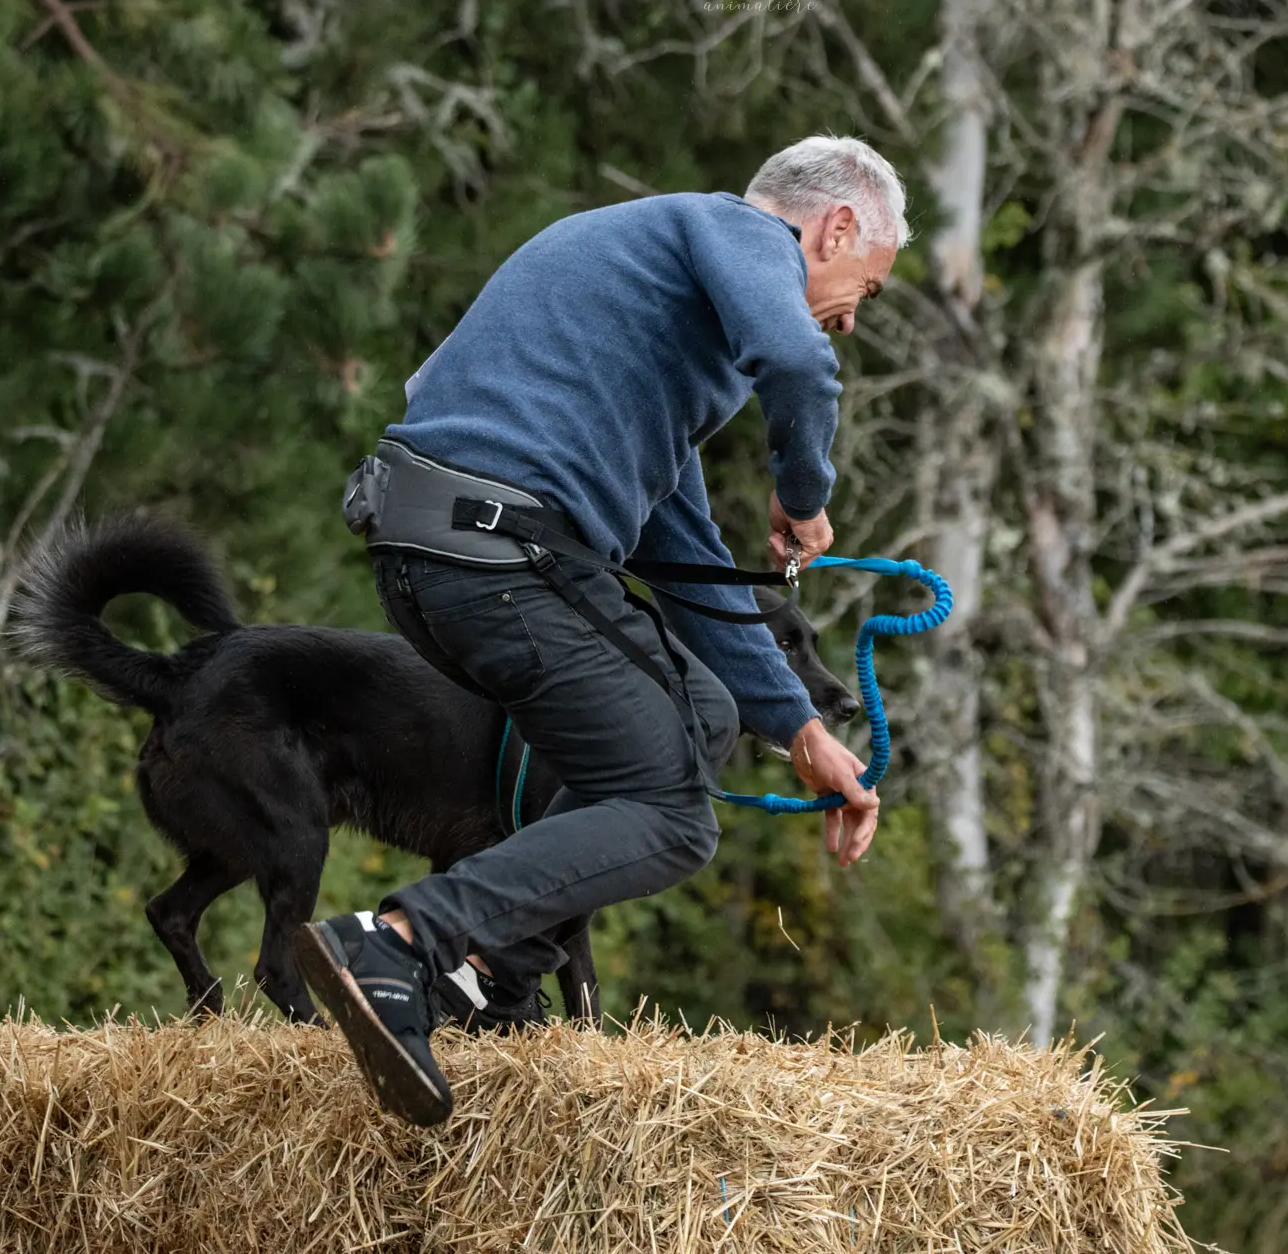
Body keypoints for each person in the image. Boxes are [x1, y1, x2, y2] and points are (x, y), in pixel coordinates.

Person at [296, 136, 908, 1126]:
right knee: (672, 815)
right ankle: (401, 945)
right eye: (864, 287)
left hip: (441, 551)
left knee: (702, 714)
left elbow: (688, 569)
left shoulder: (651, 345)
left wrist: (799, 733)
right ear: (833, 226)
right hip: (496, 550)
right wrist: (804, 494)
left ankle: (485, 977)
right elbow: (798, 356)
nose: (850, 313)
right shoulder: (733, 229)